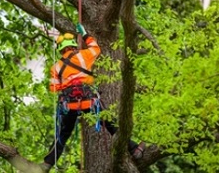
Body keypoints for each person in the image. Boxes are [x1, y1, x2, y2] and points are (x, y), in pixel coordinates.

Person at [40, 23, 145, 172]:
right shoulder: (83, 56)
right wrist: (84, 34)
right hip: (89, 102)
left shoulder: (56, 67)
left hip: (70, 106)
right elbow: (96, 48)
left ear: (60, 49)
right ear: (73, 45)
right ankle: (134, 149)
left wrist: (68, 83)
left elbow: (54, 88)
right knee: (111, 126)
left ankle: (46, 164)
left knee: (63, 135)